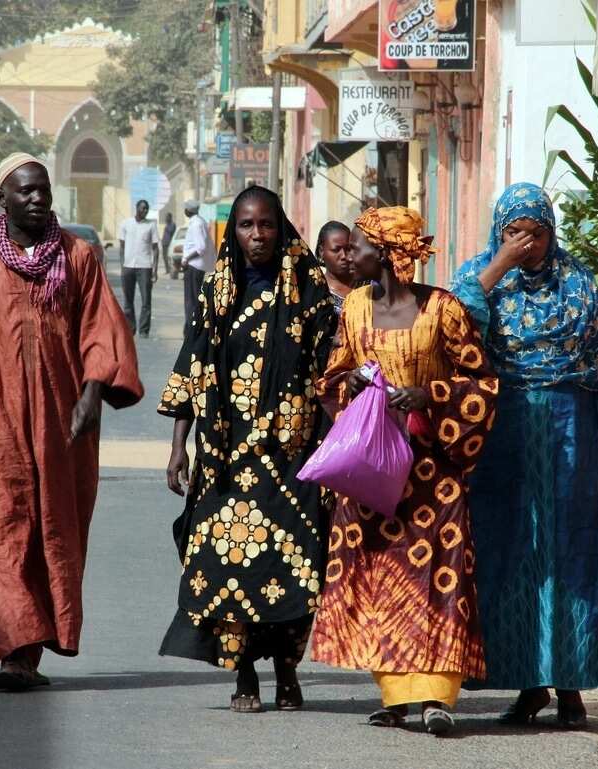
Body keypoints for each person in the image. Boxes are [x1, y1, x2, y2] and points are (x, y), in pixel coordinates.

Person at [0, 152, 143, 691]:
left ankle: (33, 648)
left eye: (43, 189)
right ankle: (13, 651)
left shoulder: (78, 257)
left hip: (62, 427)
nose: (38, 198)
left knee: (51, 529)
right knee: (2, 528)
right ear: (3, 199)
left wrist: (92, 392)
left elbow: (100, 332)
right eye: (26, 191)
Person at [310, 206, 499, 736]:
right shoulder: (352, 308)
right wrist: (347, 387)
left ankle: (438, 697)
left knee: (440, 576)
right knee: (381, 578)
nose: (351, 253)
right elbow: (333, 374)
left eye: (361, 245)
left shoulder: (444, 310)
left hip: (433, 472)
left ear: (389, 253)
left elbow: (481, 383)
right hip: (372, 469)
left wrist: (431, 395)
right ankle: (395, 696)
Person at [450, 182, 598, 728]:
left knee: (571, 556)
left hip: (571, 434)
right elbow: (454, 326)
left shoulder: (577, 282)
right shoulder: (481, 277)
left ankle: (571, 684)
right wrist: (499, 263)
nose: (528, 242)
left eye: (537, 232)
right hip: (502, 435)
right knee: (514, 554)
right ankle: (528, 683)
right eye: (513, 232)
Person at [157, 185, 337, 714]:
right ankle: (243, 676)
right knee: (227, 567)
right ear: (231, 231)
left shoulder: (309, 291)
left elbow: (329, 376)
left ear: (280, 228)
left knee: (295, 566)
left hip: (291, 456)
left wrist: (333, 449)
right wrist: (178, 447)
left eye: (265, 225)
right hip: (224, 457)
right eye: (245, 225)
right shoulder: (216, 290)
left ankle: (286, 671)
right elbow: (192, 365)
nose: (256, 235)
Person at [118, 199, 159, 337]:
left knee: (146, 300)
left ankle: (144, 330)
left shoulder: (151, 226)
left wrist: (155, 269)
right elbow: (122, 246)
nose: (145, 210)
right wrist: (122, 265)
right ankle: (130, 328)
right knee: (128, 301)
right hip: (128, 267)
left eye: (147, 208)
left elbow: (155, 248)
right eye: (143, 208)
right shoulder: (126, 224)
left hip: (145, 267)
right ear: (137, 208)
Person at [180, 199, 215, 336]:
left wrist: (186, 259)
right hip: (196, 266)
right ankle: (190, 328)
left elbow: (201, 248)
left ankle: (192, 330)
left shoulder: (196, 224)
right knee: (194, 300)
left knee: (191, 301)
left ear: (189, 210)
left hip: (194, 266)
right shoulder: (199, 222)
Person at [315, 220, 354, 313]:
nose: (344, 256)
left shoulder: (368, 285)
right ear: (321, 251)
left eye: (348, 249)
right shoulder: (318, 293)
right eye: (336, 250)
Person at [161, 211, 178, 278]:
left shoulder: (172, 224)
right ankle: (167, 269)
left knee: (168, 257)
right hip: (164, 243)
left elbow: (171, 231)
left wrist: (166, 227)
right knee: (164, 257)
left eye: (167, 217)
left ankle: (171, 270)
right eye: (166, 217)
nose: (166, 218)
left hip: (169, 243)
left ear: (170, 217)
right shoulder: (167, 224)